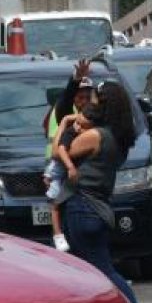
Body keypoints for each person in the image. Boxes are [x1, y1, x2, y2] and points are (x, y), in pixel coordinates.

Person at [60, 81, 152, 303]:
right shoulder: (118, 139)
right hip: (98, 208)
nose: (91, 104)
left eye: (95, 99)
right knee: (84, 273)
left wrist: (69, 123)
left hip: (83, 207)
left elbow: (62, 152)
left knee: (104, 270)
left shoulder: (95, 136)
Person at [45, 101, 103, 252]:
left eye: (84, 126)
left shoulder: (90, 135)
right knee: (55, 203)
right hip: (59, 170)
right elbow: (59, 151)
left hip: (67, 177)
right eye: (77, 123)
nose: (78, 127)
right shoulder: (71, 132)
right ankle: (57, 235)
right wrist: (70, 167)